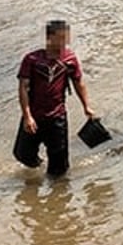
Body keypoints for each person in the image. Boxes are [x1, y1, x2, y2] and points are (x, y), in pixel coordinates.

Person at [14, 19, 95, 178]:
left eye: (66, 38)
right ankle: (39, 168)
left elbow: (79, 83)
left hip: (57, 117)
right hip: (34, 116)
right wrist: (27, 116)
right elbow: (23, 87)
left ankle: (57, 195)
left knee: (59, 168)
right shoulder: (32, 60)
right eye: (61, 38)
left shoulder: (69, 59)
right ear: (49, 38)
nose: (64, 43)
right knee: (23, 154)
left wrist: (86, 106)